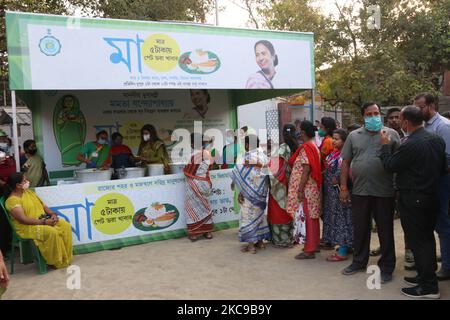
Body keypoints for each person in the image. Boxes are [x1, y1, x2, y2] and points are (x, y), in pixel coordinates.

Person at [380, 106, 446, 299]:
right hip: (431, 196)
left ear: (406, 122)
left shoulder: (410, 144)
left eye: (400, 120)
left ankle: (429, 287)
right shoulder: (436, 139)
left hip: (414, 198)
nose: (399, 123)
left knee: (419, 242)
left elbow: (390, 165)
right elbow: (443, 167)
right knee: (426, 239)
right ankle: (426, 276)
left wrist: (385, 146)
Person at [339, 102, 400, 283]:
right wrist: (344, 188)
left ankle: (387, 267)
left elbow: (399, 163)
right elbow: (345, 163)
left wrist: (397, 188)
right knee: (360, 229)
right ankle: (359, 261)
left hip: (385, 191)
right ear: (363, 117)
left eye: (376, 113)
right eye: (369, 114)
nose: (373, 117)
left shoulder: (392, 134)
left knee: (385, 230)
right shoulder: (353, 136)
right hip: (360, 191)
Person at [415, 93, 450, 281]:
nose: (418, 111)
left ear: (431, 105)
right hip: (430, 181)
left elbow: (448, 159)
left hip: (442, 181)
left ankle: (447, 266)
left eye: (421, 107)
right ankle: (446, 255)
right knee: (436, 223)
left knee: (443, 223)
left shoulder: (443, 126)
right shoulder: (425, 126)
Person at [5, 172, 73, 269]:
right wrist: (45, 222)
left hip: (42, 219)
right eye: (24, 181)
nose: (27, 182)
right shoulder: (12, 201)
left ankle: (65, 258)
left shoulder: (29, 193)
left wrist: (52, 214)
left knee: (65, 225)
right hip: (26, 227)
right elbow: (23, 220)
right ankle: (56, 261)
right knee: (51, 232)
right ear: (18, 185)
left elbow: (43, 206)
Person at [287, 120, 322, 259]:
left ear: (304, 132)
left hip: (307, 189)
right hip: (311, 188)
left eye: (300, 131)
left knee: (308, 218)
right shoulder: (312, 145)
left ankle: (309, 249)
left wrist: (300, 189)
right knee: (312, 217)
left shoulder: (307, 147)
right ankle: (314, 244)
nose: (299, 134)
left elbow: (306, 169)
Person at [231, 134, 270, 254]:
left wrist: (240, 192)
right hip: (261, 194)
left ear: (248, 145)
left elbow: (241, 176)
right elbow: (268, 172)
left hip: (249, 194)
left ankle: (251, 245)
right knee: (259, 216)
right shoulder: (263, 156)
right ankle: (260, 242)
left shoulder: (246, 157)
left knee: (248, 216)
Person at [322, 129, 354, 261]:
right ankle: (347, 246)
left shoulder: (345, 156)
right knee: (339, 220)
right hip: (332, 195)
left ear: (345, 141)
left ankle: (342, 251)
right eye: (333, 138)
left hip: (340, 193)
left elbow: (341, 174)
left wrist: (340, 186)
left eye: (337, 139)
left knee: (343, 221)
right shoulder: (335, 154)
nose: (334, 141)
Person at [267, 124, 298, 248]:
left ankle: (280, 239)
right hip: (294, 183)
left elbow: (274, 169)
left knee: (279, 210)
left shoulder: (282, 148)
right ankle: (292, 236)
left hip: (280, 185)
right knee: (291, 210)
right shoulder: (297, 147)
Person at [183, 133, 214, 241]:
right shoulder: (208, 154)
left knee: (191, 208)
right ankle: (208, 232)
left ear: (192, 144)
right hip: (205, 184)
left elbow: (186, 171)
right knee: (205, 207)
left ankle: (194, 234)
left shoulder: (190, 156)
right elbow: (210, 167)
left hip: (193, 185)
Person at [54, 95, 86, 166]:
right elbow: (58, 122)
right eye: (66, 101)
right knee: (67, 151)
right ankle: (67, 162)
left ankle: (77, 162)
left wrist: (74, 119)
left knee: (77, 150)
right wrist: (64, 118)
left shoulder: (78, 111)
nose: (68, 103)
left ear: (73, 102)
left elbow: (82, 121)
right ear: (64, 103)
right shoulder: (62, 112)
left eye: (70, 101)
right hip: (65, 136)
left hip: (76, 136)